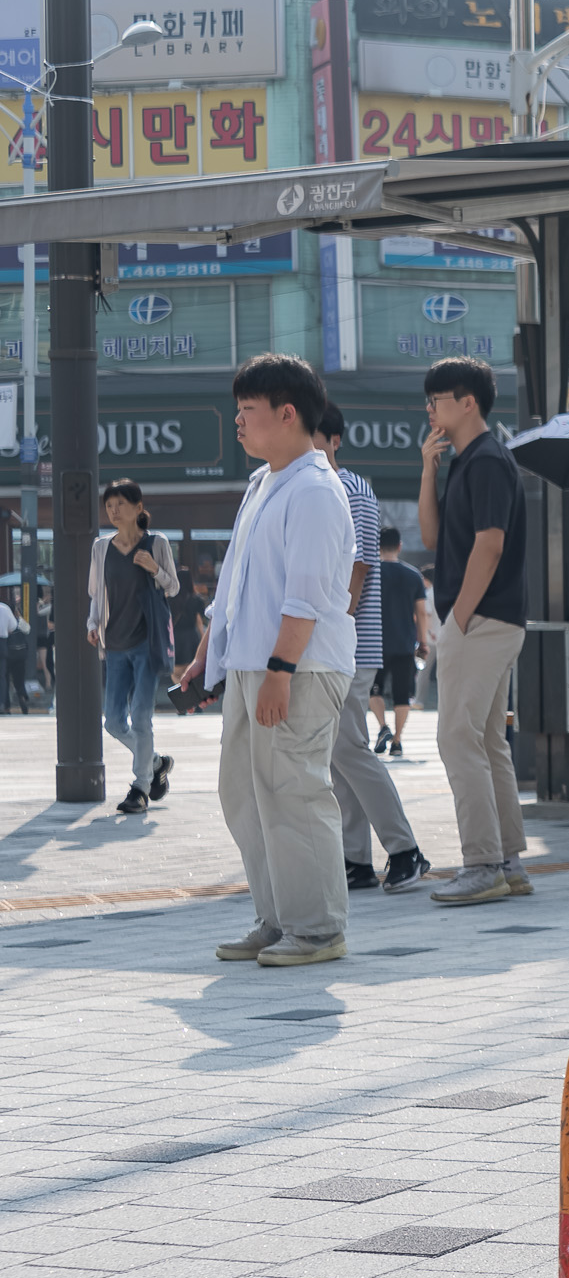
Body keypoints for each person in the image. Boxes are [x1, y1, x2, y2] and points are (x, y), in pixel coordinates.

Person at [175, 354, 357, 968]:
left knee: (294, 791)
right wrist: (208, 650)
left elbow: (304, 598)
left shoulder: (314, 490)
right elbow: (236, 582)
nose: (238, 425)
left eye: (247, 413)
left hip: (296, 668)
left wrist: (280, 672)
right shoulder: (263, 484)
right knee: (247, 794)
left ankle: (317, 928)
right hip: (254, 664)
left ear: (287, 414)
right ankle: (278, 918)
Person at [417, 355, 532, 907]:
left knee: (457, 738)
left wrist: (457, 619)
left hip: (482, 619)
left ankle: (482, 863)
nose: (430, 411)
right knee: (488, 742)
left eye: (437, 400)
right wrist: (428, 469)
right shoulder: (467, 460)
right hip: (488, 619)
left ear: (467, 403)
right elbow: (435, 537)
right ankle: (508, 862)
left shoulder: (487, 459)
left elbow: (491, 543)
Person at [312, 406, 429, 894]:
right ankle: (355, 859)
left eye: (312, 436)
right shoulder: (313, 486)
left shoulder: (351, 489)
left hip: (350, 643)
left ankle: (405, 849)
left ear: (334, 439)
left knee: (348, 750)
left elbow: (359, 566)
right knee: (342, 754)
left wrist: (336, 625)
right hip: (334, 643)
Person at [86, 478, 178, 815]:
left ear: (138, 508)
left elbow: (173, 587)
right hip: (115, 645)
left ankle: (139, 789)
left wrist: (154, 568)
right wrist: (92, 625)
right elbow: (96, 594)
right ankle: (154, 762)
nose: (113, 511)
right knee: (113, 722)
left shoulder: (156, 543)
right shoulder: (101, 547)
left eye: (120, 504)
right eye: (109, 505)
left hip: (146, 644)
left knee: (141, 716)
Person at [368, 527, 426, 757]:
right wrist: (423, 642)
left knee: (374, 690)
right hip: (404, 643)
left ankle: (383, 727)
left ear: (377, 546)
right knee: (403, 695)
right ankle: (398, 741)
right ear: (399, 546)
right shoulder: (413, 575)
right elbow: (421, 613)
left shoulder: (370, 573)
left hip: (374, 643)